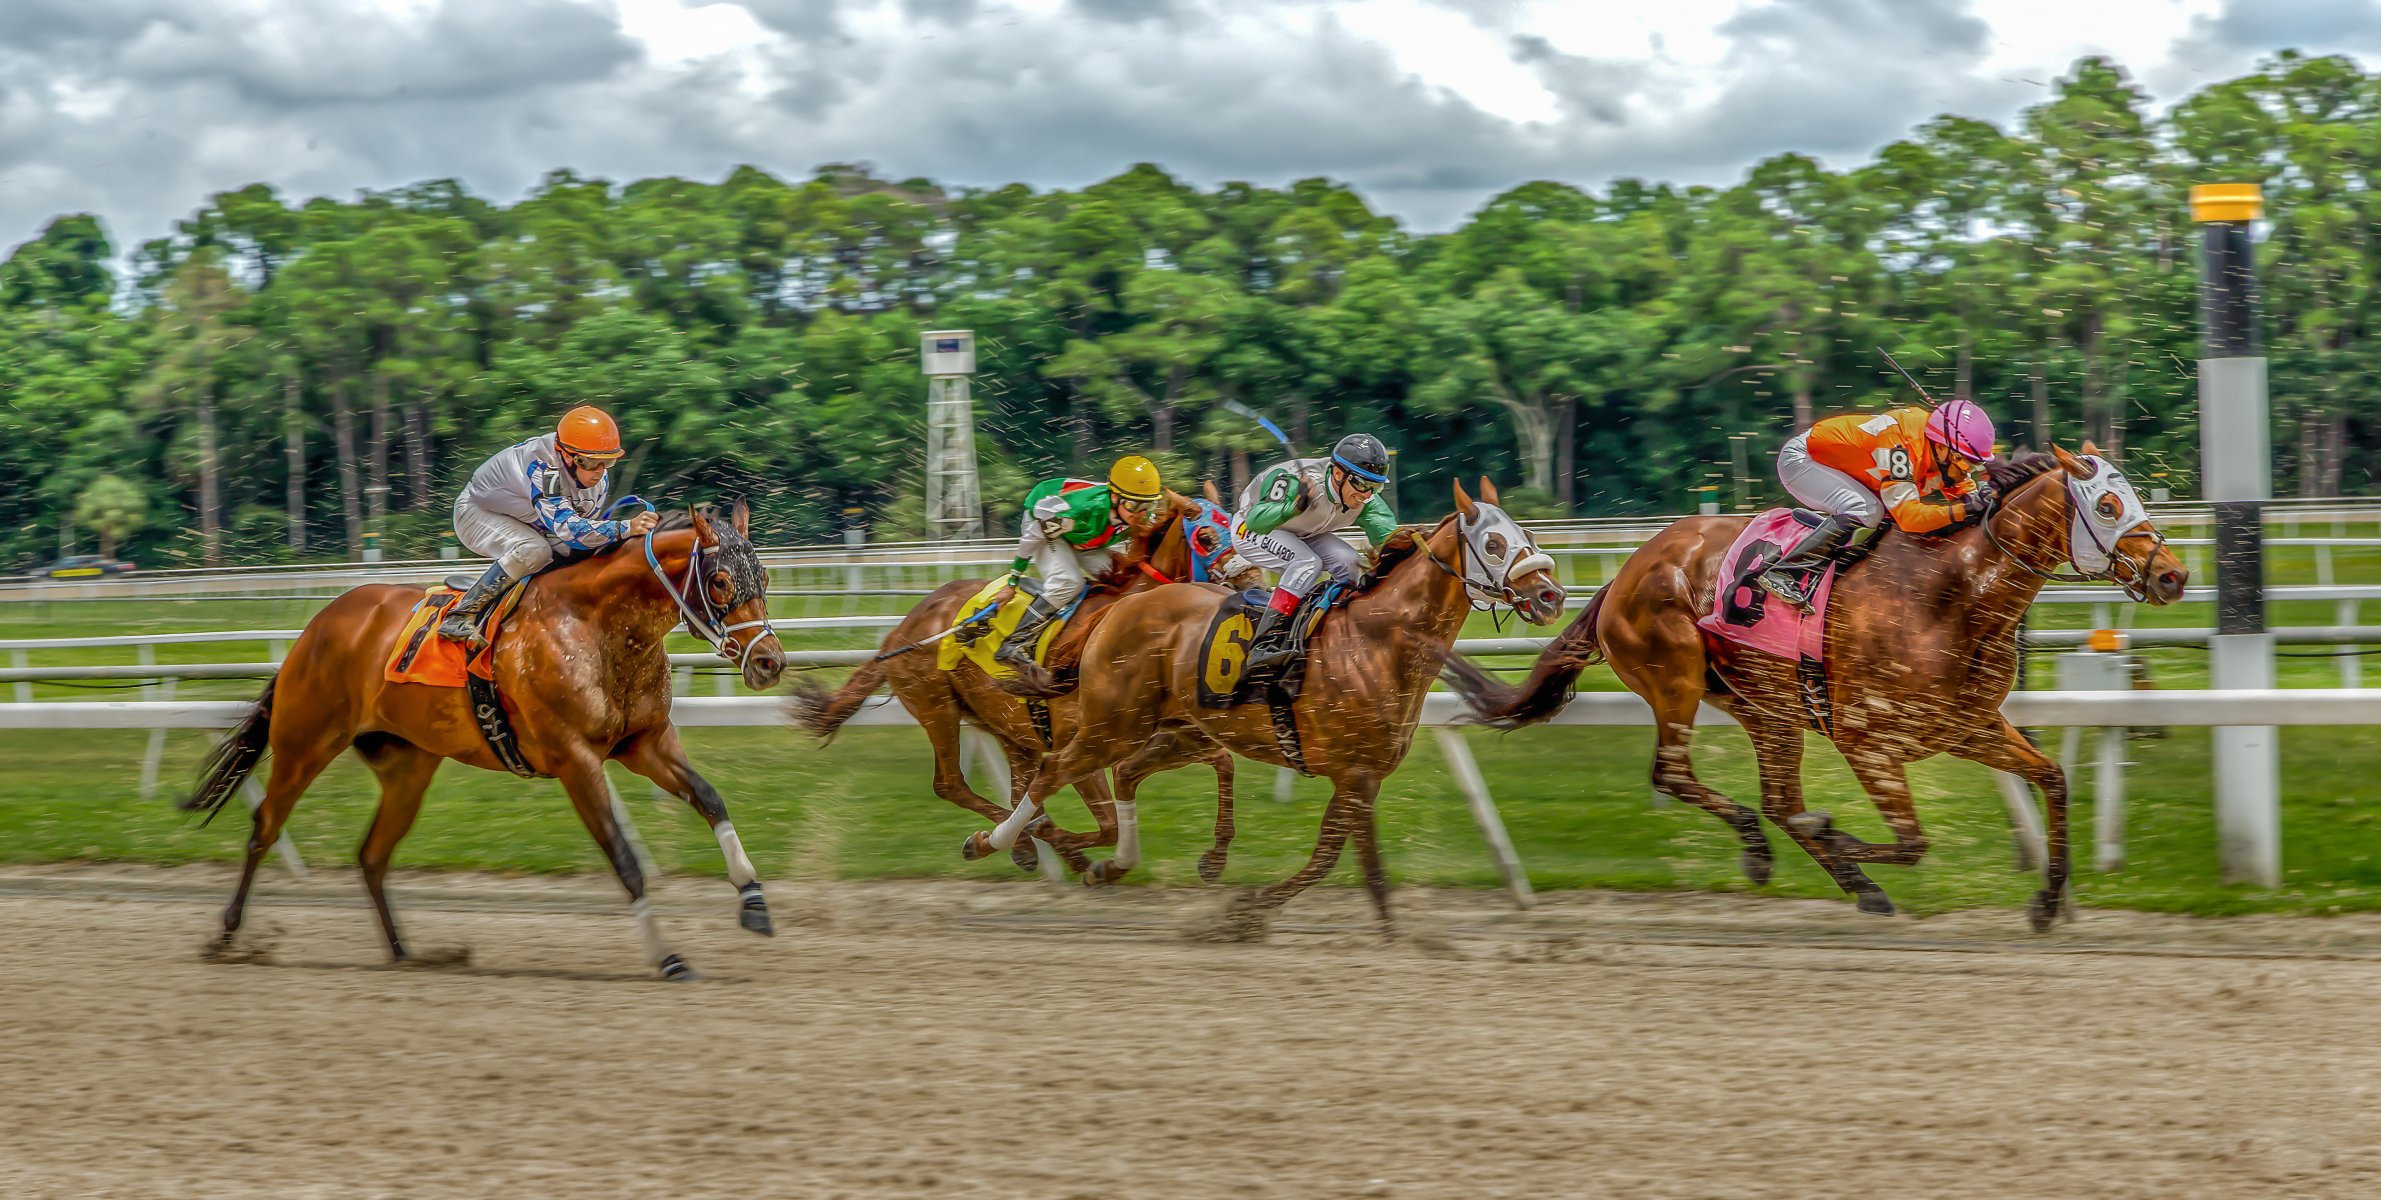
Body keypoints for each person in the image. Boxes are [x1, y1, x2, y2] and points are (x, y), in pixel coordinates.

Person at [439, 405, 660, 648]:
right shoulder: (544, 469)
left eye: (607, 462)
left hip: (528, 518)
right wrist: (626, 527)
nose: (599, 472)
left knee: (571, 555)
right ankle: (461, 614)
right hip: (476, 512)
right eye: (590, 463)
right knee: (534, 550)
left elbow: (584, 538)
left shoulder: (598, 479)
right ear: (566, 455)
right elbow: (571, 531)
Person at [1757, 398, 1998, 605]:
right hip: (1804, 461)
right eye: (1967, 464)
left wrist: (1982, 499)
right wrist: (1964, 509)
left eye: (1976, 465)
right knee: (1867, 510)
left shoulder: (1942, 452)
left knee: (1880, 515)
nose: (1968, 472)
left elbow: (1968, 499)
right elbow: (1911, 518)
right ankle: (1784, 571)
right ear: (1943, 449)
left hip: (1847, 468)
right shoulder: (1899, 447)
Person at [1232, 433, 1399, 675]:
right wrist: (1293, 506)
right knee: (1308, 563)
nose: (1367, 495)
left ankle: (1335, 628)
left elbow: (1390, 541)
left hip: (1302, 531)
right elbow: (1257, 521)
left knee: (1349, 560)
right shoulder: (1294, 481)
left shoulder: (1366, 499)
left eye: (1376, 486)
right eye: (1363, 485)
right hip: (1252, 528)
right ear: (1339, 474)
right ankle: (1265, 642)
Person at [992, 455, 1165, 667]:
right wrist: (1013, 581)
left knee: (1120, 575)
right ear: (1114, 498)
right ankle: (1013, 643)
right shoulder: (1083, 508)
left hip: (1080, 534)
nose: (1140, 514)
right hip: (1044, 524)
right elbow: (1032, 537)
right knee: (1069, 582)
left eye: (1147, 506)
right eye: (1133, 505)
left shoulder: (1139, 514)